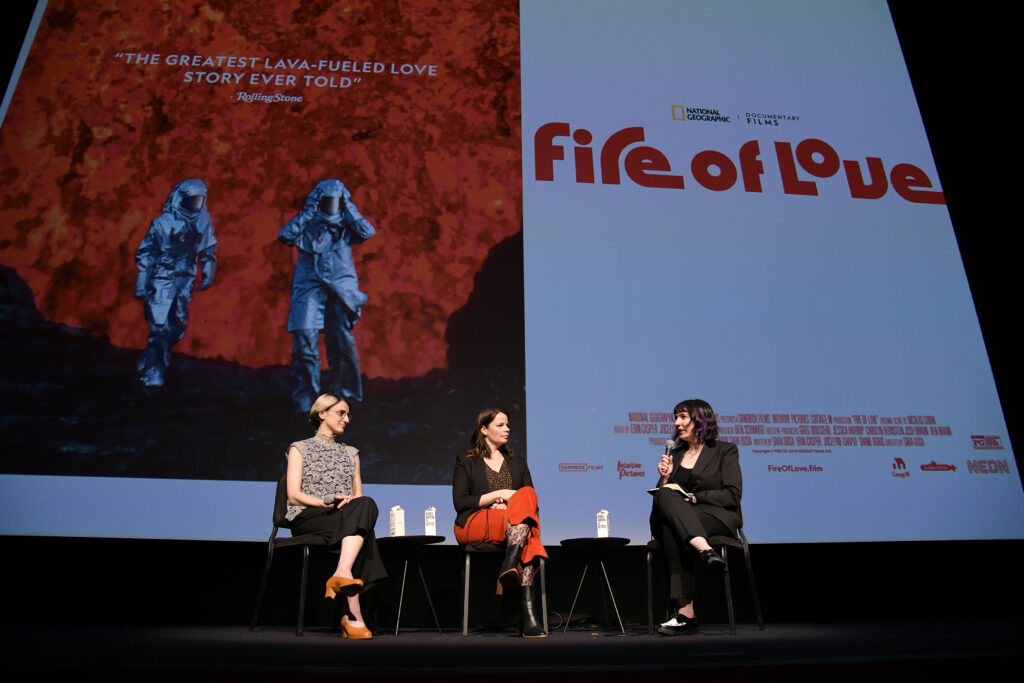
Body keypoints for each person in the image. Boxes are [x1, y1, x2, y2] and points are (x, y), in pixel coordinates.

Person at [285, 394, 386, 639]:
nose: (347, 419)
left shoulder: (351, 453)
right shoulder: (300, 448)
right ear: (322, 414)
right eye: (341, 413)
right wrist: (325, 502)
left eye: (348, 414)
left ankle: (343, 574)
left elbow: (358, 497)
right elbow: (293, 495)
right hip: (309, 517)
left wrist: (348, 503)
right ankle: (353, 616)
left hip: (340, 518)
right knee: (362, 534)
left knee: (365, 506)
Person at [278, 179, 375, 412]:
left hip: (340, 287)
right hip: (310, 286)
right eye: (327, 201)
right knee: (305, 340)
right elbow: (286, 235)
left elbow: (367, 231)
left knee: (341, 340)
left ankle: (345, 393)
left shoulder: (346, 226)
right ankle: (306, 397)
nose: (331, 206)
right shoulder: (307, 225)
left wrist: (348, 206)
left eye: (336, 201)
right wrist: (308, 211)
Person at [650, 399, 742, 636]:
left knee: (672, 528)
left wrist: (695, 498)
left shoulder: (724, 451)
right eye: (675, 417)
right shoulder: (676, 455)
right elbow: (664, 501)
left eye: (682, 417)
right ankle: (704, 549)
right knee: (664, 494)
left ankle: (685, 613)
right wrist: (665, 478)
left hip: (714, 515)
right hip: (685, 520)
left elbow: (732, 495)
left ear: (700, 420)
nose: (676, 423)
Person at [452, 408, 548, 637]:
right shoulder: (467, 461)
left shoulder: (518, 463)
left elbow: (530, 501)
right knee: (528, 532)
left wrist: (510, 507)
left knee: (526, 501)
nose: (507, 429)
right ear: (484, 430)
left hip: (511, 526)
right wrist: (500, 494)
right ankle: (527, 614)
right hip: (474, 522)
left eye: (508, 425)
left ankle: (511, 565)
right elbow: (461, 502)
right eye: (500, 425)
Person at [133, 178, 217, 388]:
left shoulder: (202, 222)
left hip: (185, 277)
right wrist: (142, 284)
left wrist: (207, 272)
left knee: (178, 327)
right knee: (160, 327)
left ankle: (151, 357)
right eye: (191, 201)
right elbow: (146, 254)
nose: (194, 206)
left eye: (198, 201)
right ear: (180, 199)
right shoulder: (162, 224)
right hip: (163, 277)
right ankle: (153, 376)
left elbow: (208, 249)